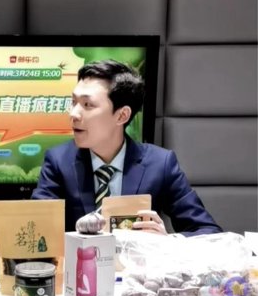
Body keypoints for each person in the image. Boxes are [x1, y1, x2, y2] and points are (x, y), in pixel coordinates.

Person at [32, 60, 222, 235]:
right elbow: (36, 230)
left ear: (122, 115)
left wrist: (166, 243)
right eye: (74, 102)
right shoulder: (58, 161)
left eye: (88, 104)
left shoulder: (161, 164)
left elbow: (209, 231)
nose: (73, 114)